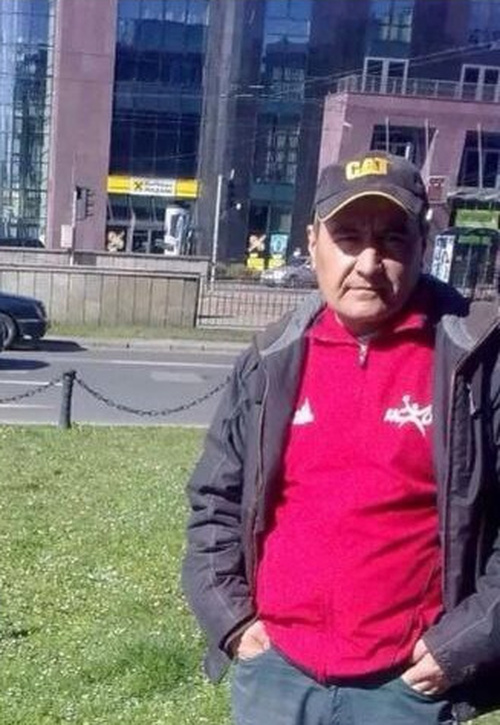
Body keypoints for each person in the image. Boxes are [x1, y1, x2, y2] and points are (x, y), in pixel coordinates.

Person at [182, 151, 500, 725]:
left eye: (392, 239)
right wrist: (232, 621)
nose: (368, 263)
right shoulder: (272, 358)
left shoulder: (477, 360)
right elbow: (215, 501)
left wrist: (462, 644)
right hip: (276, 674)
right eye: (348, 237)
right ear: (313, 243)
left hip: (409, 685)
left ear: (423, 243)